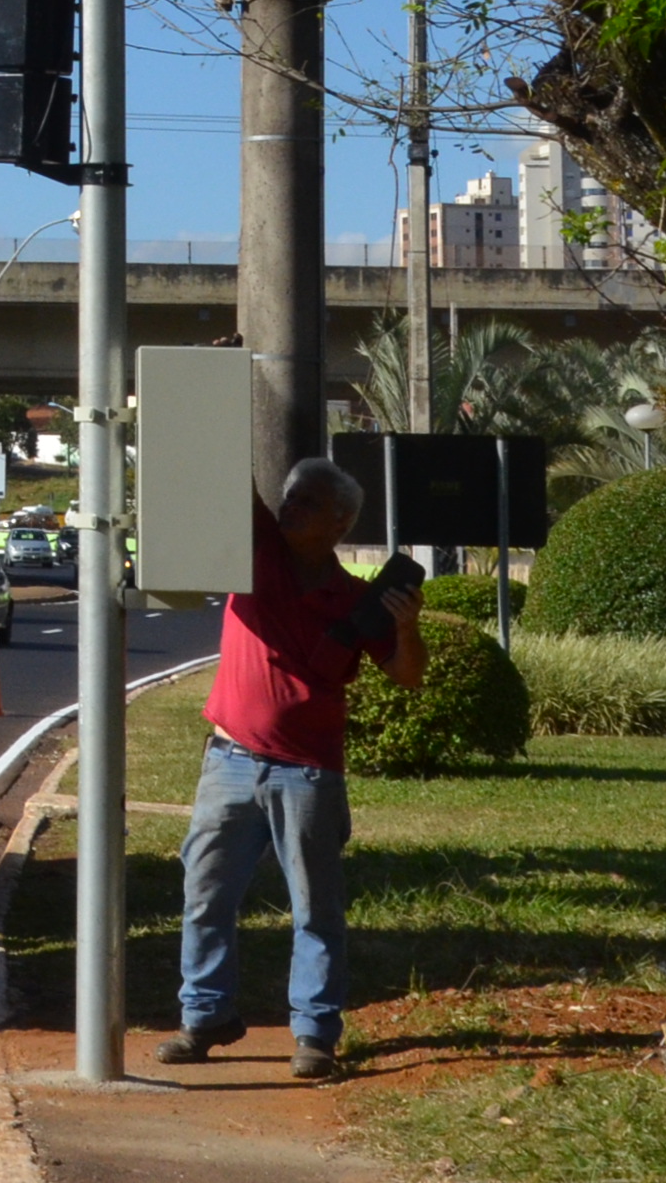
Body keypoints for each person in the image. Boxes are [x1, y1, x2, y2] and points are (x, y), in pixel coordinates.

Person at [166, 455, 428, 1082]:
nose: (290, 505)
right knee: (204, 896)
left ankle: (314, 1034)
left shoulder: (357, 600)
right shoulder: (257, 551)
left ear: (340, 522)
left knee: (315, 909)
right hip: (229, 761)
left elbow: (409, 675)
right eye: (289, 495)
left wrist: (407, 626)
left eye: (307, 500)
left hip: (308, 774)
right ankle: (206, 1017)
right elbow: (228, 474)